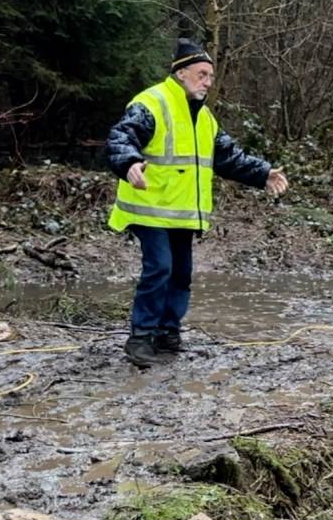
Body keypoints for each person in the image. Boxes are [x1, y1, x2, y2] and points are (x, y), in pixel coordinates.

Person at [105, 39, 288, 367]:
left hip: (182, 211)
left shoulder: (205, 118)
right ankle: (141, 337)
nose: (207, 81)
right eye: (202, 74)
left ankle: (167, 331)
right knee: (159, 267)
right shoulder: (152, 103)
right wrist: (130, 162)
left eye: (210, 77)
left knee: (182, 273)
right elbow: (121, 136)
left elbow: (229, 157)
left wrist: (264, 174)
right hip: (148, 208)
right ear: (180, 73)